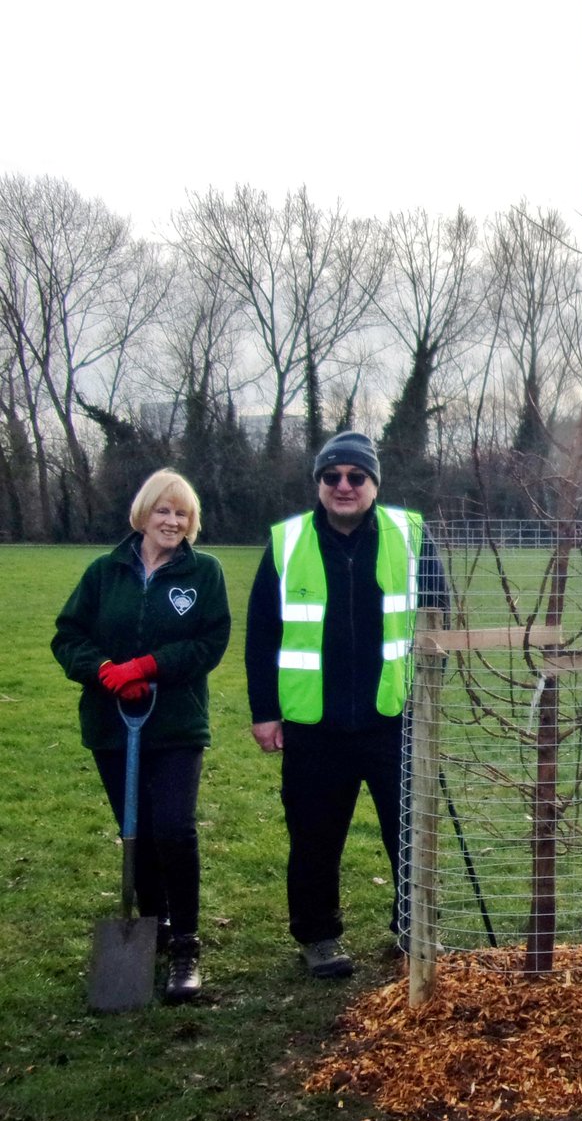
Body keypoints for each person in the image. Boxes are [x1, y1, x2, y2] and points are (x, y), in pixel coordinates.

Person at [244, 430, 446, 978]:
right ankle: (318, 937)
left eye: (357, 476)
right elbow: (262, 632)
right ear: (318, 483)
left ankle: (413, 926)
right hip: (314, 723)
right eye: (331, 476)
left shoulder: (411, 534)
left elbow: (439, 623)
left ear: (374, 484)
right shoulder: (287, 542)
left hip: (393, 718)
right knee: (313, 839)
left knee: (408, 830)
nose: (344, 486)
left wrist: (430, 699)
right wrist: (264, 710)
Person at [52, 469, 231, 1003]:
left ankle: (185, 945)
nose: (172, 521)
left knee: (174, 828)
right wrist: (104, 669)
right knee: (140, 833)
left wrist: (148, 667)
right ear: (143, 514)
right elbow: (67, 636)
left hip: (176, 722)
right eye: (163, 510)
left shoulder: (205, 574)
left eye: (182, 513)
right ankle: (152, 927)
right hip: (113, 725)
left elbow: (210, 642)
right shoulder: (104, 572)